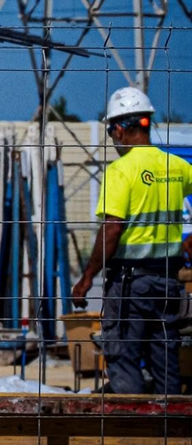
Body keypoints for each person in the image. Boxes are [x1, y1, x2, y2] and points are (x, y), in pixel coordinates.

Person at [70, 85, 191, 395]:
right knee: (165, 362)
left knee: (123, 359)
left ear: (121, 129)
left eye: (112, 131)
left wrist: (86, 279)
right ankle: (172, 433)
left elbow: (112, 230)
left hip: (130, 285)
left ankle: (128, 429)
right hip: (168, 283)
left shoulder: (120, 171)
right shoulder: (177, 167)